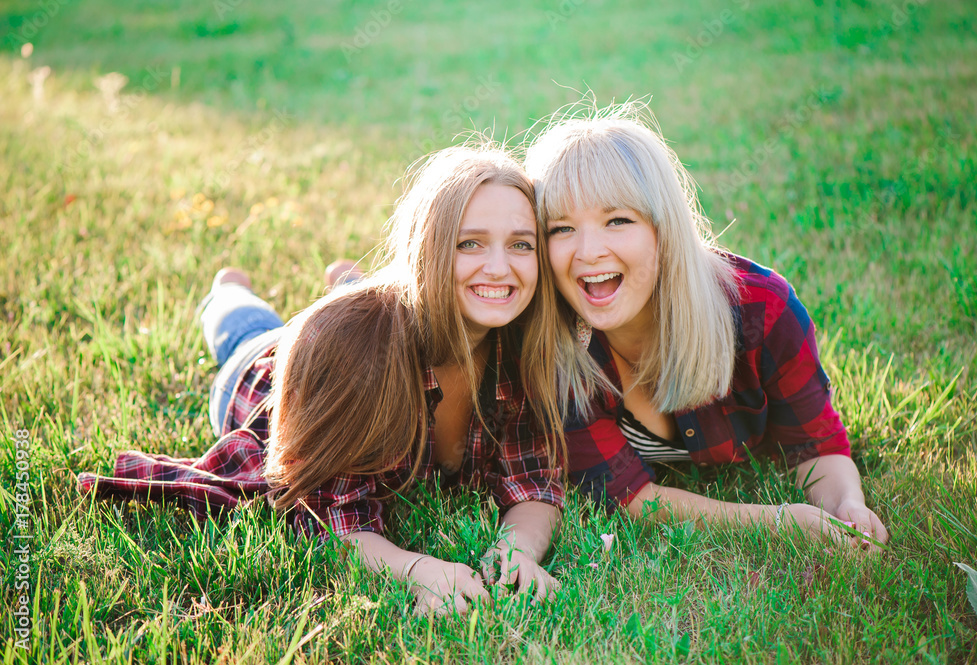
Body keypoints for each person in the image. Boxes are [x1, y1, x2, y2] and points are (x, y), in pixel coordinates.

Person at [78, 144, 595, 614]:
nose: (500, 267)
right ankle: (229, 289)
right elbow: (331, 519)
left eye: (521, 245)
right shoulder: (348, 351)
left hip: (373, 322)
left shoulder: (525, 342)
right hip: (265, 378)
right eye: (470, 244)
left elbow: (536, 481)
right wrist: (421, 570)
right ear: (428, 249)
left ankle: (348, 281)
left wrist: (515, 552)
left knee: (368, 309)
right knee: (246, 329)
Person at [523, 104, 889, 547]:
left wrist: (846, 503)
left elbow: (815, 446)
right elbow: (628, 496)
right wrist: (780, 521)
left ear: (664, 228)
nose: (588, 251)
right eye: (561, 228)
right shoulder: (551, 348)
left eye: (617, 220)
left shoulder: (762, 311)